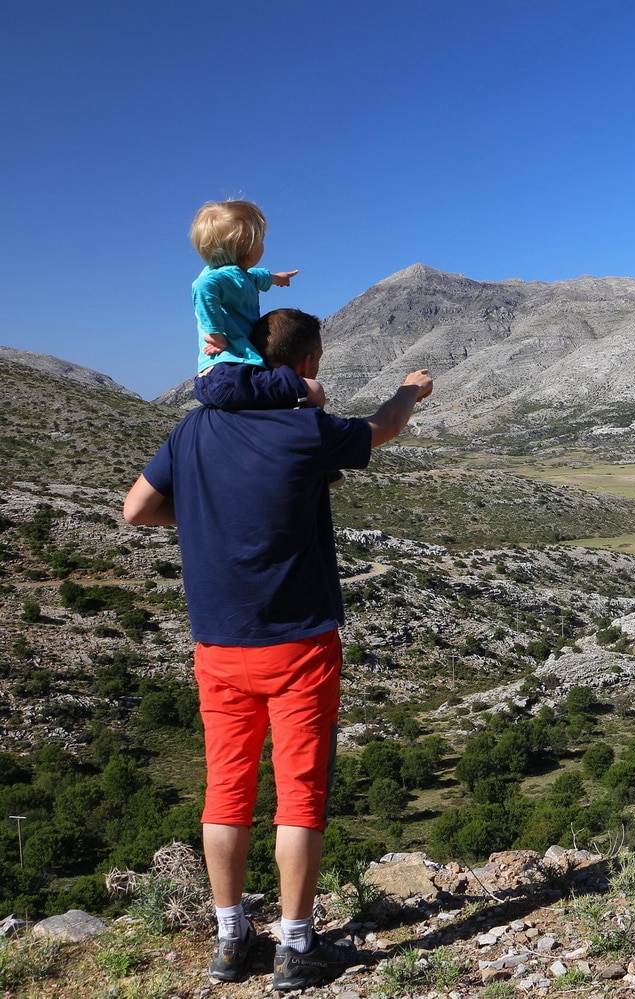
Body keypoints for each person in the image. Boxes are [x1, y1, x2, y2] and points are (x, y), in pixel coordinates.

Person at [123, 308, 433, 990]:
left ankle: (231, 939)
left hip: (219, 646)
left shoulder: (193, 428)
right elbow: (382, 428)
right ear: (311, 360)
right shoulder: (305, 429)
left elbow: (137, 508)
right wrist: (412, 389)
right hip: (300, 646)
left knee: (226, 793)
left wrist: (205, 518)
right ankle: (295, 946)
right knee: (300, 795)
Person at [189, 200, 324, 411]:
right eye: (260, 240)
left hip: (213, 376)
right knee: (312, 391)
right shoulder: (219, 279)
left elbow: (258, 277)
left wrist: (279, 278)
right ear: (249, 253)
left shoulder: (238, 276)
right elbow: (202, 288)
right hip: (231, 373)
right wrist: (214, 334)